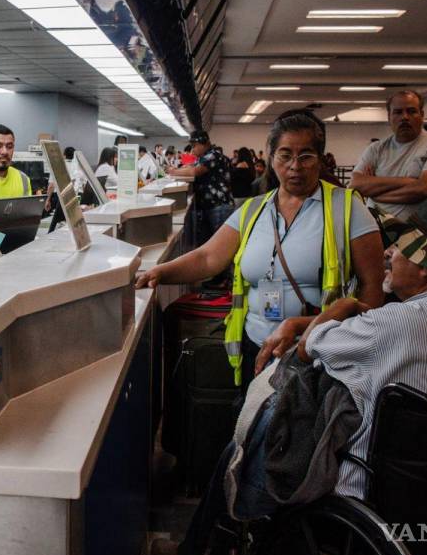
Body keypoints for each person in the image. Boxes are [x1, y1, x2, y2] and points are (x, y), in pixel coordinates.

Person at [149, 197, 427, 555]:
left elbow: (309, 347)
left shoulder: (398, 324)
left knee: (258, 427)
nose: (390, 254)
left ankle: (210, 546)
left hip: (371, 481)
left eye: (400, 250)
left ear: (426, 268)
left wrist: (341, 308)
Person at [140, 112, 385, 386]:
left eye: (306, 156)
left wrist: (355, 345)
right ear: (271, 157)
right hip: (256, 346)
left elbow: (372, 286)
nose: (295, 166)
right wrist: (158, 272)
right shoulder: (253, 210)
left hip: (318, 354)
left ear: (320, 158)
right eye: (285, 155)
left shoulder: (348, 207)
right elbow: (208, 257)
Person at [350, 90, 427, 221]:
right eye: (398, 112)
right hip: (376, 228)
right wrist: (409, 182)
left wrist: (375, 192)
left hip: (419, 234)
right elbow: (355, 184)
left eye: (411, 111)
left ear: (422, 115)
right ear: (389, 117)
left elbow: (425, 189)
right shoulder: (375, 149)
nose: (404, 117)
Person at [168, 130, 237, 246]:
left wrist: (173, 172)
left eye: (195, 146)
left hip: (219, 206)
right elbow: (190, 167)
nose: (193, 150)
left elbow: (195, 171)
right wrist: (176, 171)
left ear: (204, 143)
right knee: (211, 246)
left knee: (220, 246)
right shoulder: (204, 157)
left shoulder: (213, 155)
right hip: (212, 206)